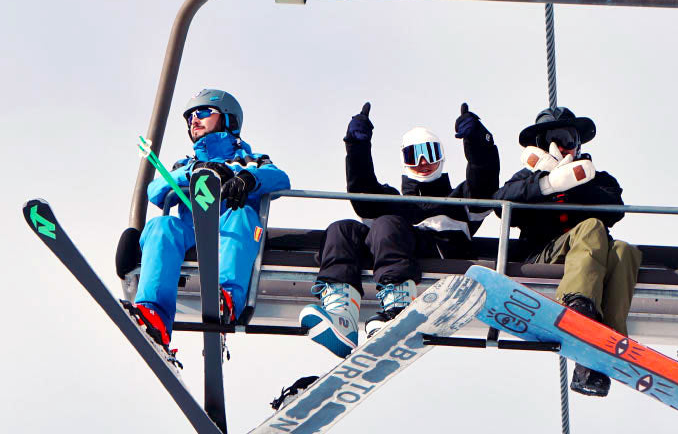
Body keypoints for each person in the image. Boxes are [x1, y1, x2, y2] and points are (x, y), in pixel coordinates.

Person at [296, 101, 500, 358]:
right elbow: (362, 192)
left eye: (430, 152)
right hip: (388, 249)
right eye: (414, 155)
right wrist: (357, 147)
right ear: (404, 161)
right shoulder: (391, 201)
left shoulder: (459, 201)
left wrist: (477, 141)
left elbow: (484, 179)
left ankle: (398, 309)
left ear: (442, 157)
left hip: (437, 252)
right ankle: (341, 317)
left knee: (386, 224)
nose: (423, 162)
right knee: (342, 229)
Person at [129, 88, 290, 360]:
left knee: (242, 215)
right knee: (161, 226)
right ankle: (153, 315)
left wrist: (248, 179)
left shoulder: (250, 160)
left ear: (228, 119)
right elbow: (156, 190)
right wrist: (195, 173)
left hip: (231, 227)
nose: (194, 120)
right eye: (190, 116)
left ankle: (225, 299)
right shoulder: (187, 163)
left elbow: (280, 178)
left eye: (203, 113)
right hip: (192, 229)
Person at [493, 107, 641, 398]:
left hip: (589, 259)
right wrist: (546, 184)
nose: (560, 147)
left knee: (626, 251)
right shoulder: (527, 179)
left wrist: (574, 181)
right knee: (590, 228)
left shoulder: (596, 178)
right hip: (544, 256)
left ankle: (604, 352)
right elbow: (501, 204)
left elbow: (616, 207)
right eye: (552, 139)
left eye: (567, 138)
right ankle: (579, 306)